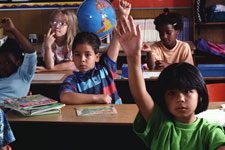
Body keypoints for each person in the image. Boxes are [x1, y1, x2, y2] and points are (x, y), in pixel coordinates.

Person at [114, 15, 225, 149]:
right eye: (172, 93)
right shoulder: (160, 124)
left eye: (188, 91)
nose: (180, 99)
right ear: (164, 98)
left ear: (200, 95)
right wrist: (133, 56)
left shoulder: (210, 131)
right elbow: (140, 95)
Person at [59, 0, 131, 104]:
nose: (82, 59)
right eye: (77, 54)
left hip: (115, 118)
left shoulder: (106, 69)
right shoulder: (73, 80)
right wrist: (96, 98)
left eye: (87, 54)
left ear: (97, 57)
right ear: (73, 57)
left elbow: (117, 38)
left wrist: (123, 15)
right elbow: (65, 96)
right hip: (91, 120)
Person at [0, 17, 36, 103]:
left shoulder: (24, 75)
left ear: (18, 62)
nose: (2, 67)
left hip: (13, 114)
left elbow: (30, 52)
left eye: (7, 62)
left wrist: (13, 30)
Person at [36, 8, 77, 72]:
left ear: (70, 27)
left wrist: (48, 70)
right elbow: (49, 65)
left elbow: (72, 64)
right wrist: (48, 47)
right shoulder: (47, 42)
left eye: (62, 24)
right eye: (54, 22)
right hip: (56, 74)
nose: (57, 26)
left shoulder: (75, 42)